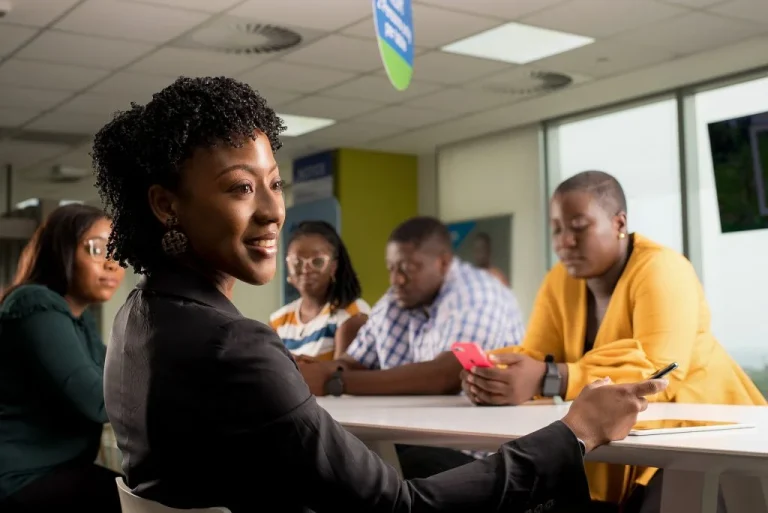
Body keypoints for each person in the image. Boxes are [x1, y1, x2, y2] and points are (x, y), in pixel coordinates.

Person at [93, 76, 668, 513]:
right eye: (241, 188)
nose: (272, 212)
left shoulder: (139, 318)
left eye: (274, 184)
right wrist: (576, 433)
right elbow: (399, 508)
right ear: (166, 204)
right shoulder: (233, 346)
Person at [461, 170, 766, 512]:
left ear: (619, 223)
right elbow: (537, 355)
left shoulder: (664, 268)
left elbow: (658, 374)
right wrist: (497, 376)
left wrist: (550, 378)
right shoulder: (559, 280)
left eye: (579, 226)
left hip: (710, 441)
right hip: (629, 439)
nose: (565, 241)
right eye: (557, 229)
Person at [298, 216, 525, 399]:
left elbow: (446, 375)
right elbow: (354, 363)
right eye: (391, 268)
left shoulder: (477, 293)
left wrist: (335, 382)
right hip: (421, 430)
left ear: (443, 263)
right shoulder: (399, 298)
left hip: (484, 437)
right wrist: (316, 369)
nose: (396, 279)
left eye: (408, 268)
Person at [0, 204, 125, 512]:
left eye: (117, 250)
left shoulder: (78, 318)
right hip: (21, 477)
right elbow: (98, 399)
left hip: (59, 469)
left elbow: (117, 377)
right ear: (61, 251)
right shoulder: (35, 303)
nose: (113, 264)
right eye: (97, 248)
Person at [270, 220, 370, 360]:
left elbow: (344, 372)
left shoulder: (352, 312)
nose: (306, 269)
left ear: (333, 267)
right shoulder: (278, 320)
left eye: (317, 262)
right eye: (297, 262)